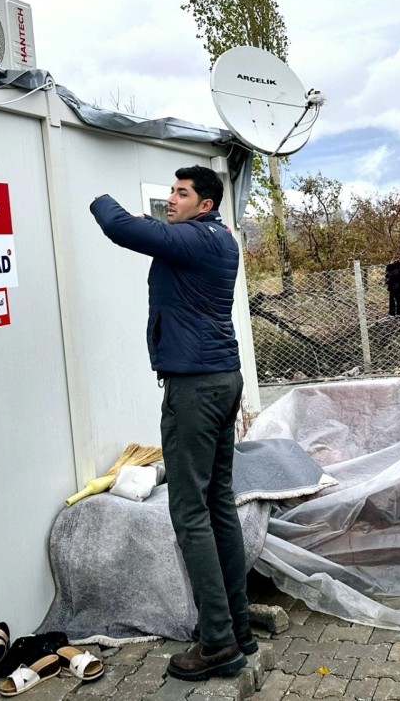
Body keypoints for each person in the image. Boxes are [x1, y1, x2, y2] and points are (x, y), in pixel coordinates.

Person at [90, 164, 255, 681]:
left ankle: (219, 644)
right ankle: (239, 628)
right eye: (170, 194)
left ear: (204, 204)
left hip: (195, 387)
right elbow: (156, 234)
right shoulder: (214, 237)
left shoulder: (194, 239)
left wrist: (94, 195)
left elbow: (119, 227)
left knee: (190, 511)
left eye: (180, 194)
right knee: (217, 503)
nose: (172, 200)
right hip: (222, 379)